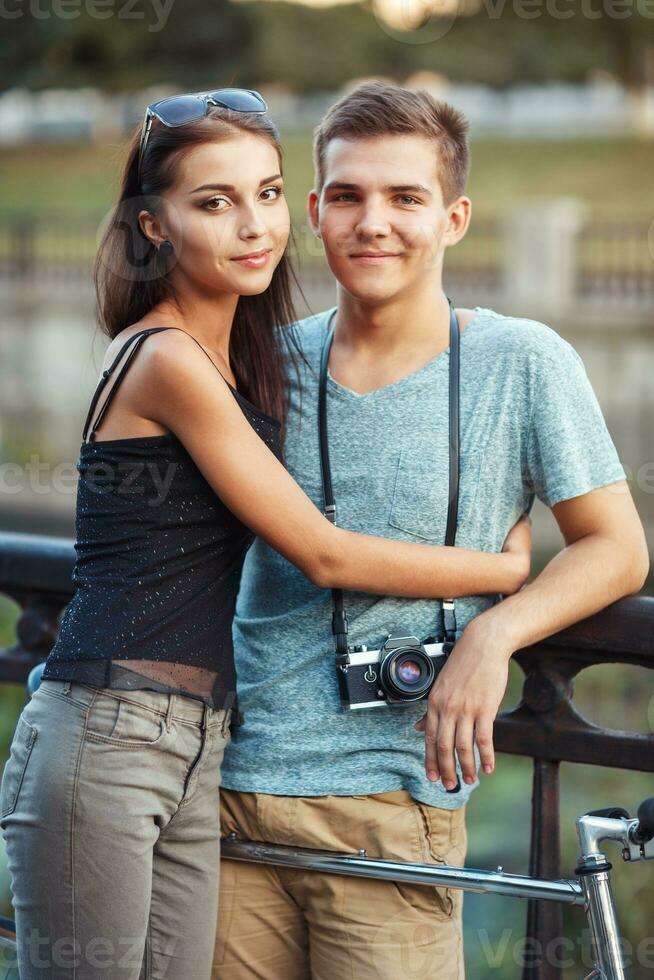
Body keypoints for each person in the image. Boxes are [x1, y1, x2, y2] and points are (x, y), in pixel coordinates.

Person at [0, 89, 531, 980]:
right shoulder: (166, 357)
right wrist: (503, 570)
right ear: (152, 226)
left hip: (201, 745)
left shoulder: (238, 357)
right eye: (214, 202)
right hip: (108, 736)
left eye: (270, 193)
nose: (255, 225)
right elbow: (321, 550)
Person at [214, 82, 649, 979]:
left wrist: (500, 630)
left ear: (453, 217)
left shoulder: (522, 361)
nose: (374, 222)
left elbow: (617, 547)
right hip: (228, 796)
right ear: (315, 212)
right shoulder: (259, 361)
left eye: (405, 197)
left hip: (395, 802)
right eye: (349, 196)